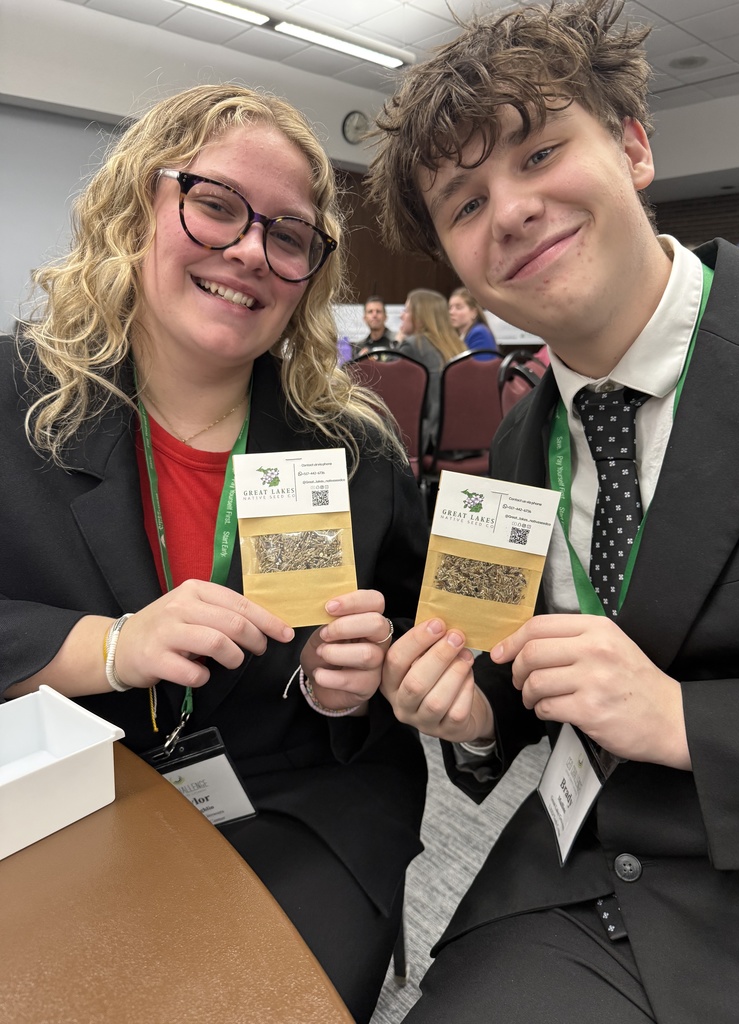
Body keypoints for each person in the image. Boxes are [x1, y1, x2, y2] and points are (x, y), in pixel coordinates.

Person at [367, 1, 739, 1021]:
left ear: (632, 144)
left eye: (541, 150)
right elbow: (513, 677)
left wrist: (690, 723)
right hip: (570, 878)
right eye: (464, 203)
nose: (508, 211)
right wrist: (468, 717)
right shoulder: (514, 444)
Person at [0, 84, 429, 1024]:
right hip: (51, 796)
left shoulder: (353, 449)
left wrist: (352, 679)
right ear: (137, 206)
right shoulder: (12, 397)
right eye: (216, 204)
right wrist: (109, 648)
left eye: (288, 234)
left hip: (296, 796)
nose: (249, 251)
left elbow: (411, 638)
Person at [397, 288, 465, 450]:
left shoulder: (413, 345)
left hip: (427, 441)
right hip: (462, 441)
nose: (401, 316)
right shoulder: (458, 346)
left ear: (420, 317)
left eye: (406, 310)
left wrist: (398, 343)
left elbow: (393, 398)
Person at [448, 286, 498, 359]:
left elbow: (479, 367)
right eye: (450, 308)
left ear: (473, 312)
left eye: (458, 307)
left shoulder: (479, 333)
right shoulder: (460, 335)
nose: (451, 312)